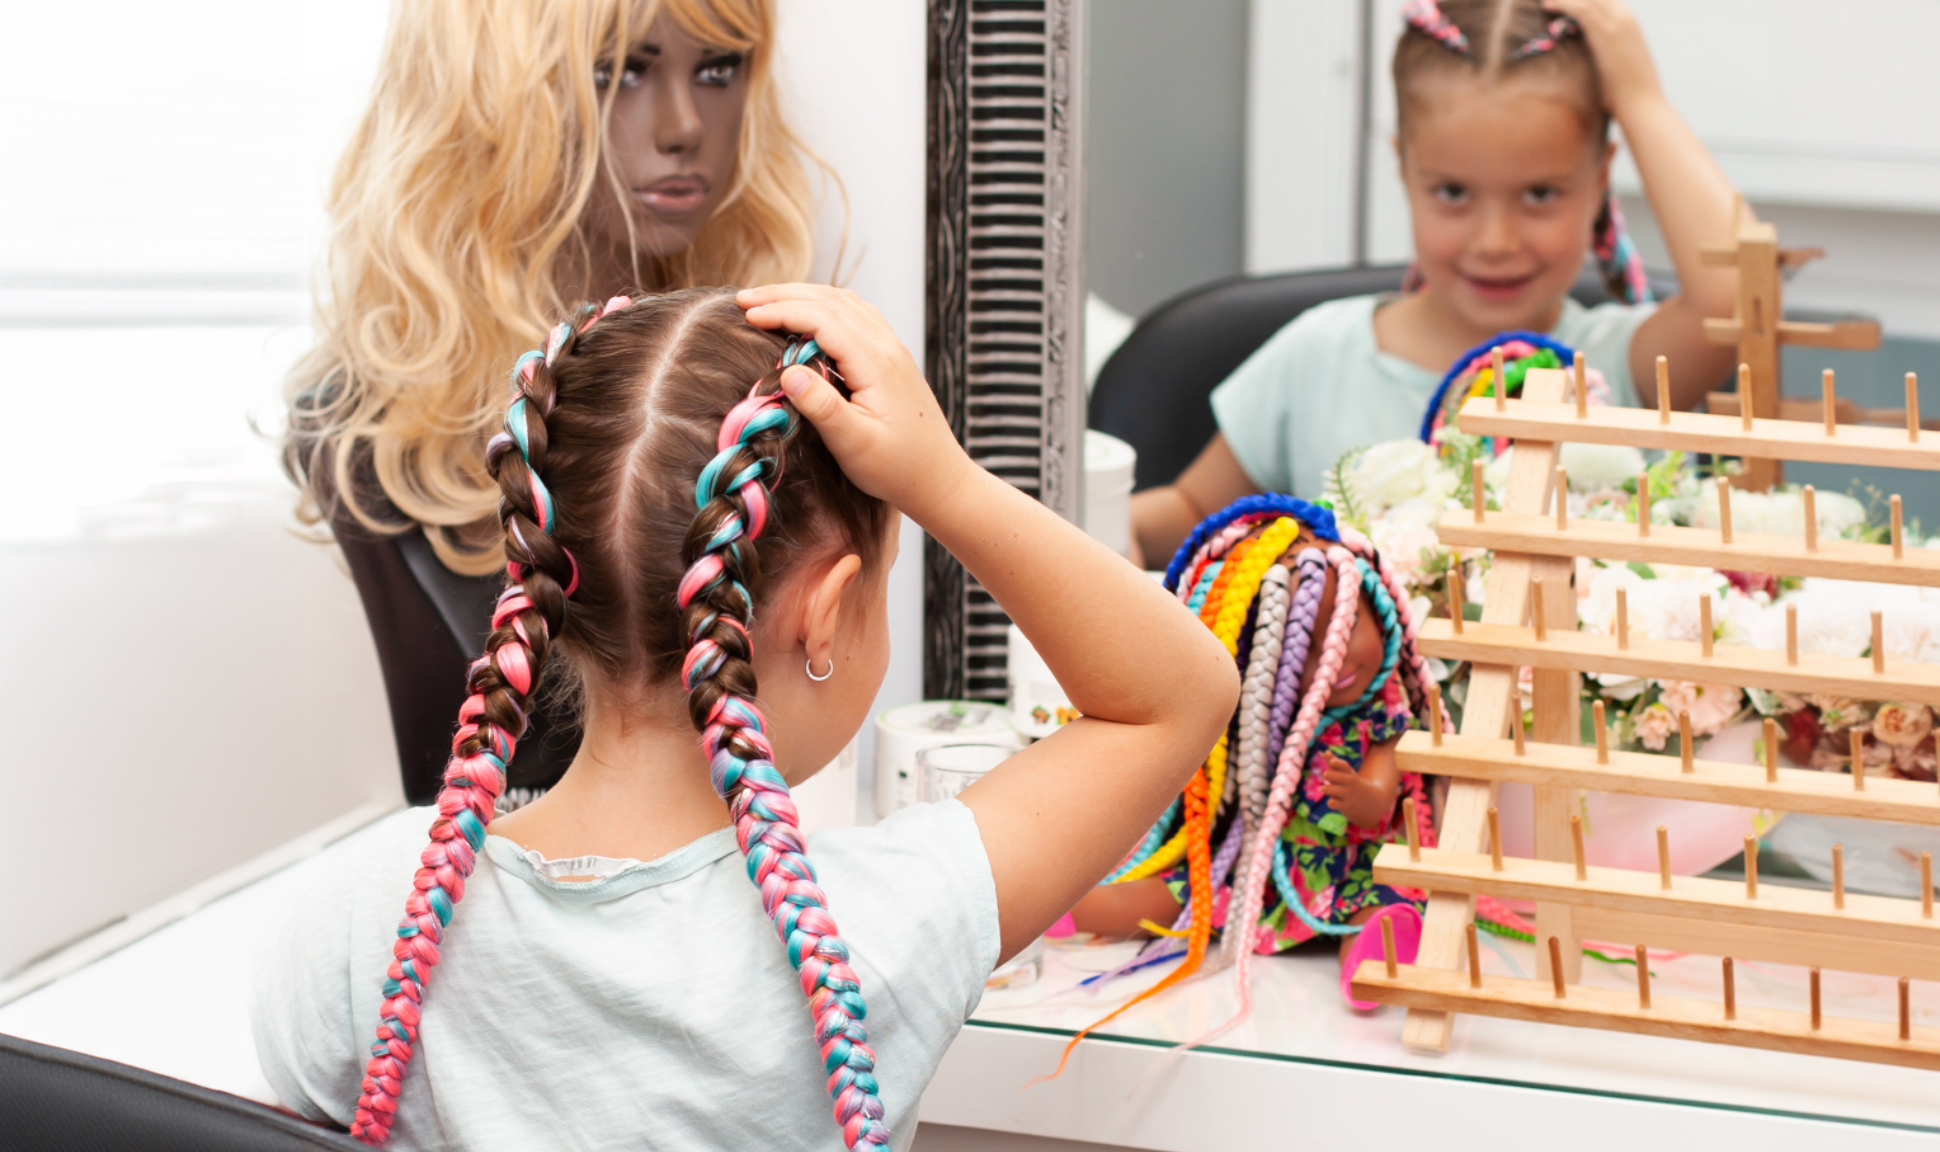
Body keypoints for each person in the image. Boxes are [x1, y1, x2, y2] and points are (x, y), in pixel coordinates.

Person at [250, 286, 1239, 1150]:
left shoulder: (364, 916)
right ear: (825, 613)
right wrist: (940, 478)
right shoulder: (872, 931)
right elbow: (1176, 696)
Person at [283, 0, 827, 801]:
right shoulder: (366, 427)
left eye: (718, 69)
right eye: (618, 72)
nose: (684, 125)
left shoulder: (773, 387)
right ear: (486, 92)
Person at [1130, 0, 1741, 567]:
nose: (1495, 241)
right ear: (1403, 167)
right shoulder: (1313, 359)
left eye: (1540, 194)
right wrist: (1112, 530)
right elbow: (1191, 510)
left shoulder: (1623, 370)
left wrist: (1641, 97)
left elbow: (1734, 298)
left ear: (1600, 178)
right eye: (1452, 192)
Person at [1070, 501, 1438, 1018]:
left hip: (1355, 869)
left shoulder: (1383, 718)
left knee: (1381, 905)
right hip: (1261, 875)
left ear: (1379, 611)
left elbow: (1381, 801)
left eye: (1349, 624)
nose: (1334, 657)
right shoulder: (1260, 725)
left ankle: (1371, 964)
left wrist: (1362, 795)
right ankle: (1063, 910)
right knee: (1182, 895)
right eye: (1301, 647)